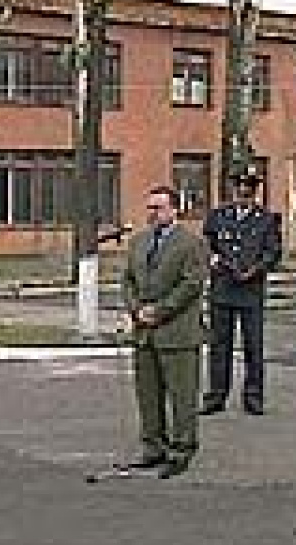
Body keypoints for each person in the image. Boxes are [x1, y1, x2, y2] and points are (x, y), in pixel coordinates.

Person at [121, 185, 210, 479]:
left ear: (174, 210)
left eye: (158, 208)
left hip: (178, 332)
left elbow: (191, 284)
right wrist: (136, 309)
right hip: (144, 333)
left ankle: (182, 449)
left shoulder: (191, 243)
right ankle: (152, 446)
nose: (152, 214)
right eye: (149, 208)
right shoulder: (139, 242)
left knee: (182, 395)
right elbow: (128, 280)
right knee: (148, 394)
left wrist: (158, 311)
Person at [201, 169, 282, 416]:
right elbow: (207, 245)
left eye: (248, 191)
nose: (243, 195)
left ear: (254, 193)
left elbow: (273, 252)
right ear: (233, 191)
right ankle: (215, 396)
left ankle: (253, 397)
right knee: (219, 346)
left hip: (251, 290)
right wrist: (214, 260)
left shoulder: (266, 219)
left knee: (253, 347)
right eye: (239, 190)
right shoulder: (217, 216)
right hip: (223, 288)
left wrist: (255, 270)